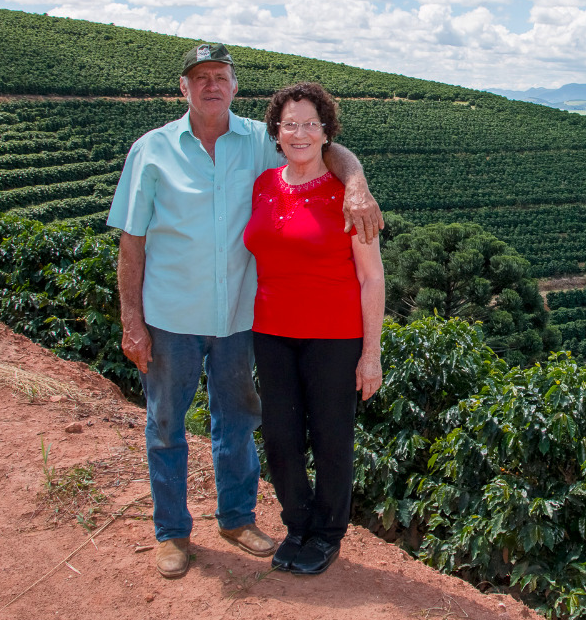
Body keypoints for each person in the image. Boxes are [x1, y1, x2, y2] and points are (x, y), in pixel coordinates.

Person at [108, 44, 383, 580]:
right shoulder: (151, 150)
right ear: (183, 88)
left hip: (238, 320)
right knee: (165, 425)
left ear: (235, 87)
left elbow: (324, 146)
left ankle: (236, 519)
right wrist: (131, 321)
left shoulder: (259, 142)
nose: (211, 85)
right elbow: (131, 241)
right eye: (200, 77)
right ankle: (172, 532)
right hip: (172, 317)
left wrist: (356, 183)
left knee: (237, 423)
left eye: (221, 76)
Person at [244, 82, 384, 576]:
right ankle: (297, 524)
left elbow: (372, 277)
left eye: (310, 124)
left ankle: (327, 533)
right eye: (290, 124)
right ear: (276, 132)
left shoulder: (350, 197)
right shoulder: (263, 185)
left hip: (334, 337)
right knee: (280, 439)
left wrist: (371, 354)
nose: (300, 133)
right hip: (271, 333)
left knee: (330, 439)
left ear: (327, 132)